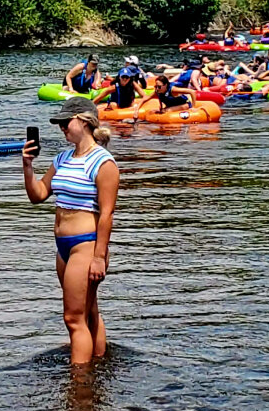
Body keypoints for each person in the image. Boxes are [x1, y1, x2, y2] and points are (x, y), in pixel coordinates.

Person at [21, 97, 118, 365]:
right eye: (59, 123)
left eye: (66, 122)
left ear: (85, 122)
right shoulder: (62, 158)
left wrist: (99, 257)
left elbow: (107, 213)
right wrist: (28, 167)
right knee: (88, 311)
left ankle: (79, 384)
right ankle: (98, 364)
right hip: (63, 247)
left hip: (86, 245)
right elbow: (38, 195)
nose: (62, 127)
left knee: (73, 318)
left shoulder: (103, 162)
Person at [134, 75, 198, 119]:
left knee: (166, 111)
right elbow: (145, 99)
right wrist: (136, 110)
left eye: (159, 87)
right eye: (156, 86)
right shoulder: (157, 91)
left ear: (165, 85)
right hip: (171, 106)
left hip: (184, 105)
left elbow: (192, 92)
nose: (157, 89)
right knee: (154, 111)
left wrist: (193, 107)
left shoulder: (173, 90)